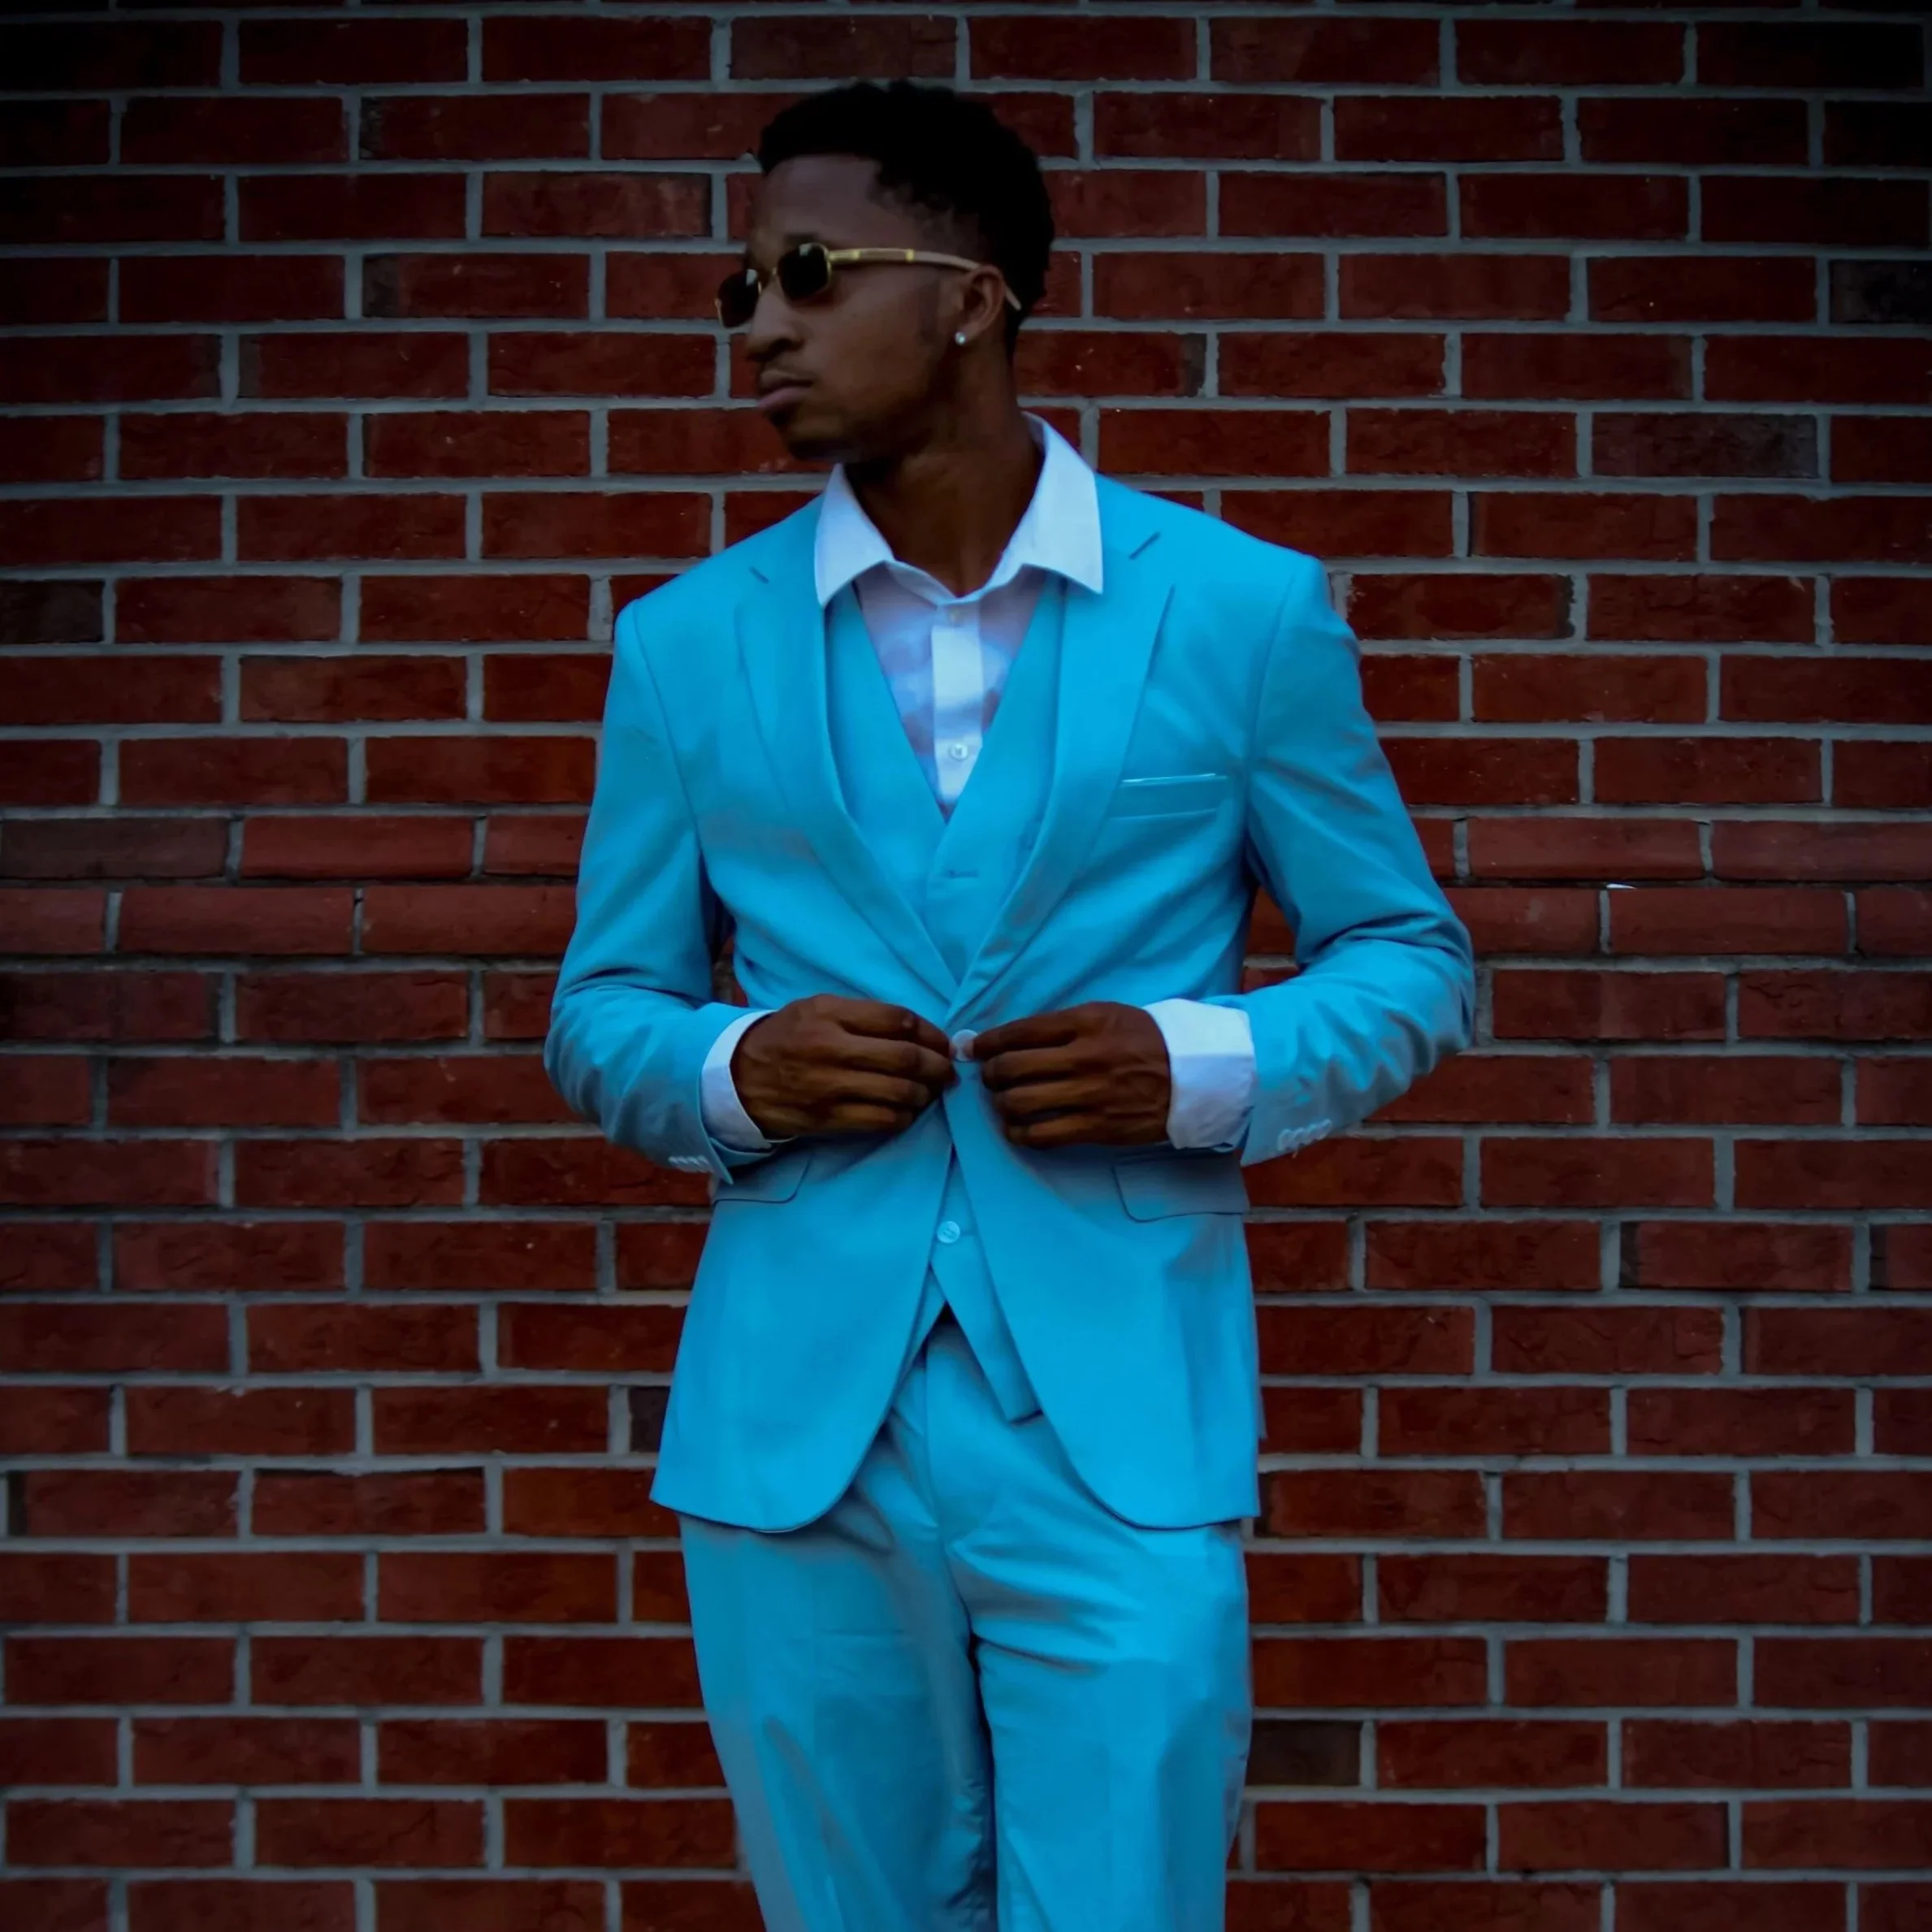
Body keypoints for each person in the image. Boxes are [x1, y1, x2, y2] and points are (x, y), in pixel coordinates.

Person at [545, 79, 1474, 1932]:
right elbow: (605, 1007)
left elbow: (1406, 956)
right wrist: (736, 1065)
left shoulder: (1238, 611)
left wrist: (1202, 1060)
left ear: (969, 294)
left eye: (803, 275)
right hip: (798, 1423)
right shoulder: (683, 642)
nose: (760, 330)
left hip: (1116, 1417)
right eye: (737, 293)